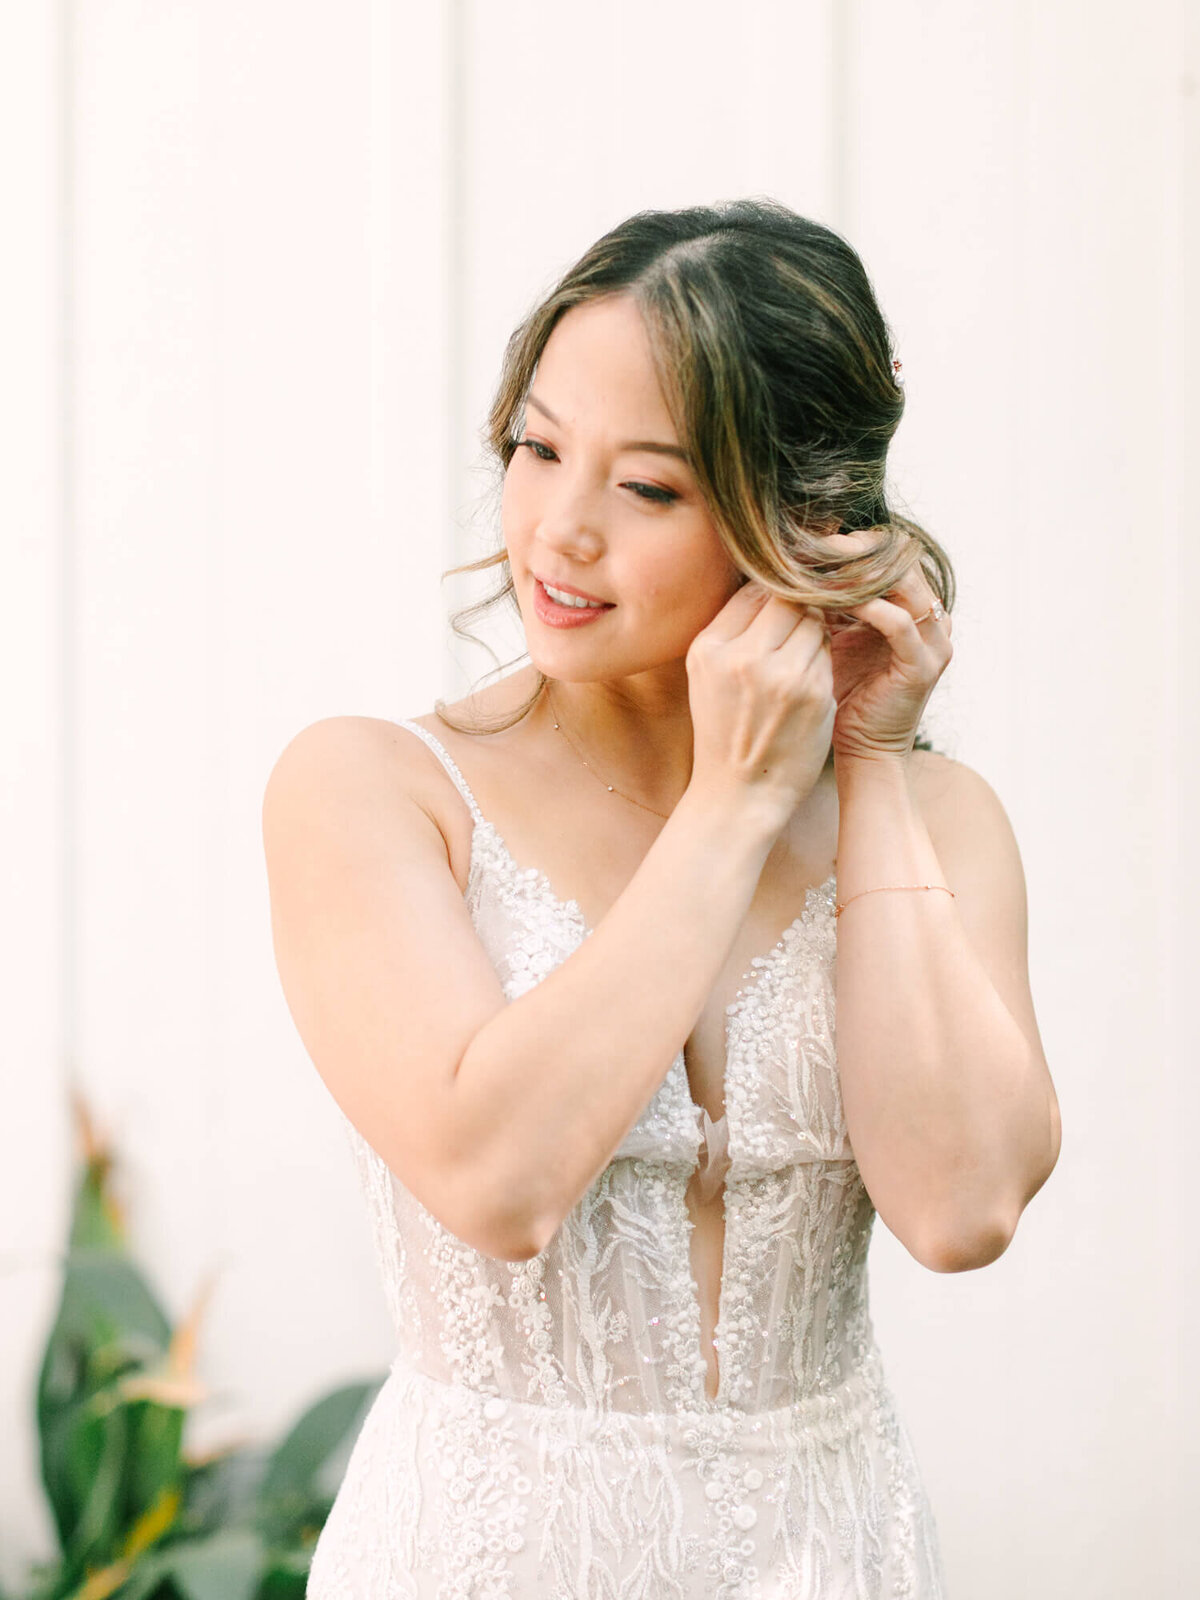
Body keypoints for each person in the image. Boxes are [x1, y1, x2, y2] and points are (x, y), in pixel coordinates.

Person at [264, 199, 1061, 1599]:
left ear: (807, 522)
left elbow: (961, 1209)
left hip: (835, 1556)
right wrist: (733, 805)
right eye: (537, 449)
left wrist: (868, 764)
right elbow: (495, 1180)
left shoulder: (941, 822)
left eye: (646, 488)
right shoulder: (372, 791)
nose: (560, 531)